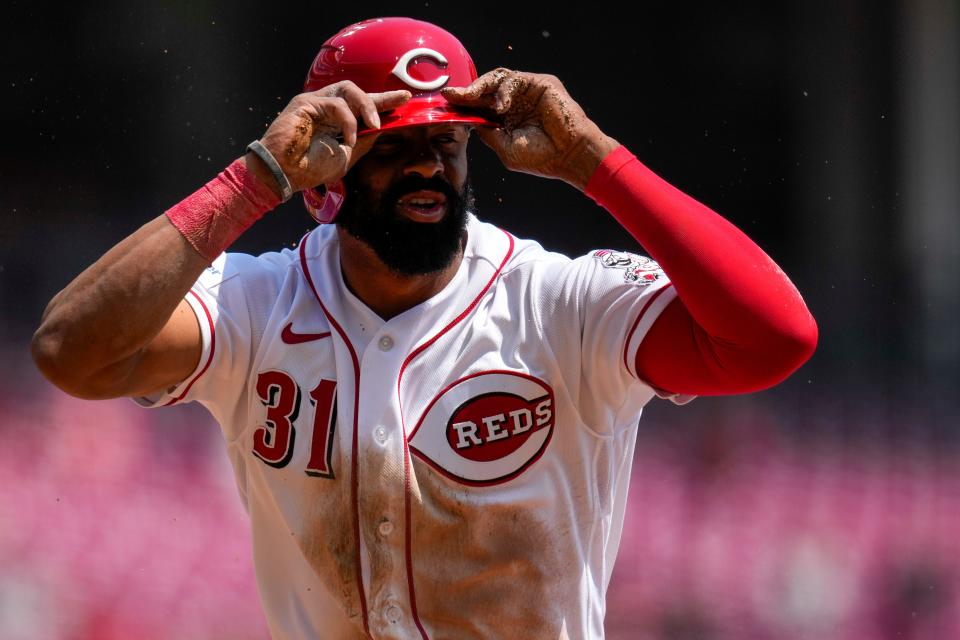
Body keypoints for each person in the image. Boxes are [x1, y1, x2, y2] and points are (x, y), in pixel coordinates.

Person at [31, 16, 817, 640]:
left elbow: (775, 339)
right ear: (327, 163)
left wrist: (593, 160)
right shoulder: (256, 303)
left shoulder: (561, 302)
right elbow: (72, 353)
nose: (428, 167)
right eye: (395, 144)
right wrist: (254, 180)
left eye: (446, 141)